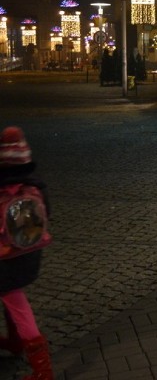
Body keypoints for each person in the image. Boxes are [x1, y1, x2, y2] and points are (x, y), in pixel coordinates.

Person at [0, 127, 53, 379]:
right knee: (10, 297)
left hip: (4, 262)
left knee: (16, 302)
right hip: (30, 257)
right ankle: (14, 341)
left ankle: (42, 369)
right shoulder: (35, 188)